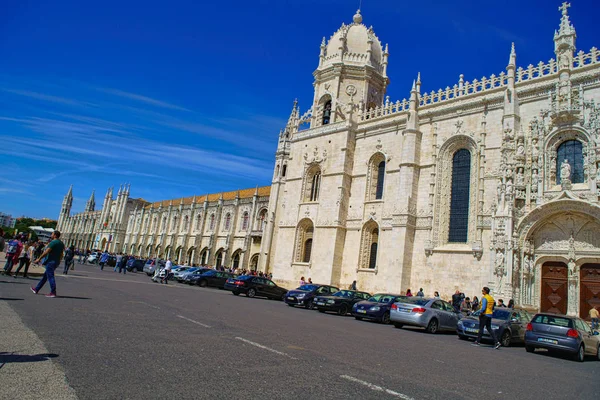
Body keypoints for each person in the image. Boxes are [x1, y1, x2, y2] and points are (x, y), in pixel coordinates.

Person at [31, 231, 65, 298]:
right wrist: (59, 261)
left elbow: (47, 251)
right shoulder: (61, 243)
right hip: (56, 261)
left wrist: (39, 258)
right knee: (45, 277)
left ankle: (53, 292)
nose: (51, 235)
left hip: (50, 261)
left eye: (52, 234)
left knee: (50, 277)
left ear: (55, 235)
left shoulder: (53, 242)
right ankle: (36, 289)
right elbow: (61, 254)